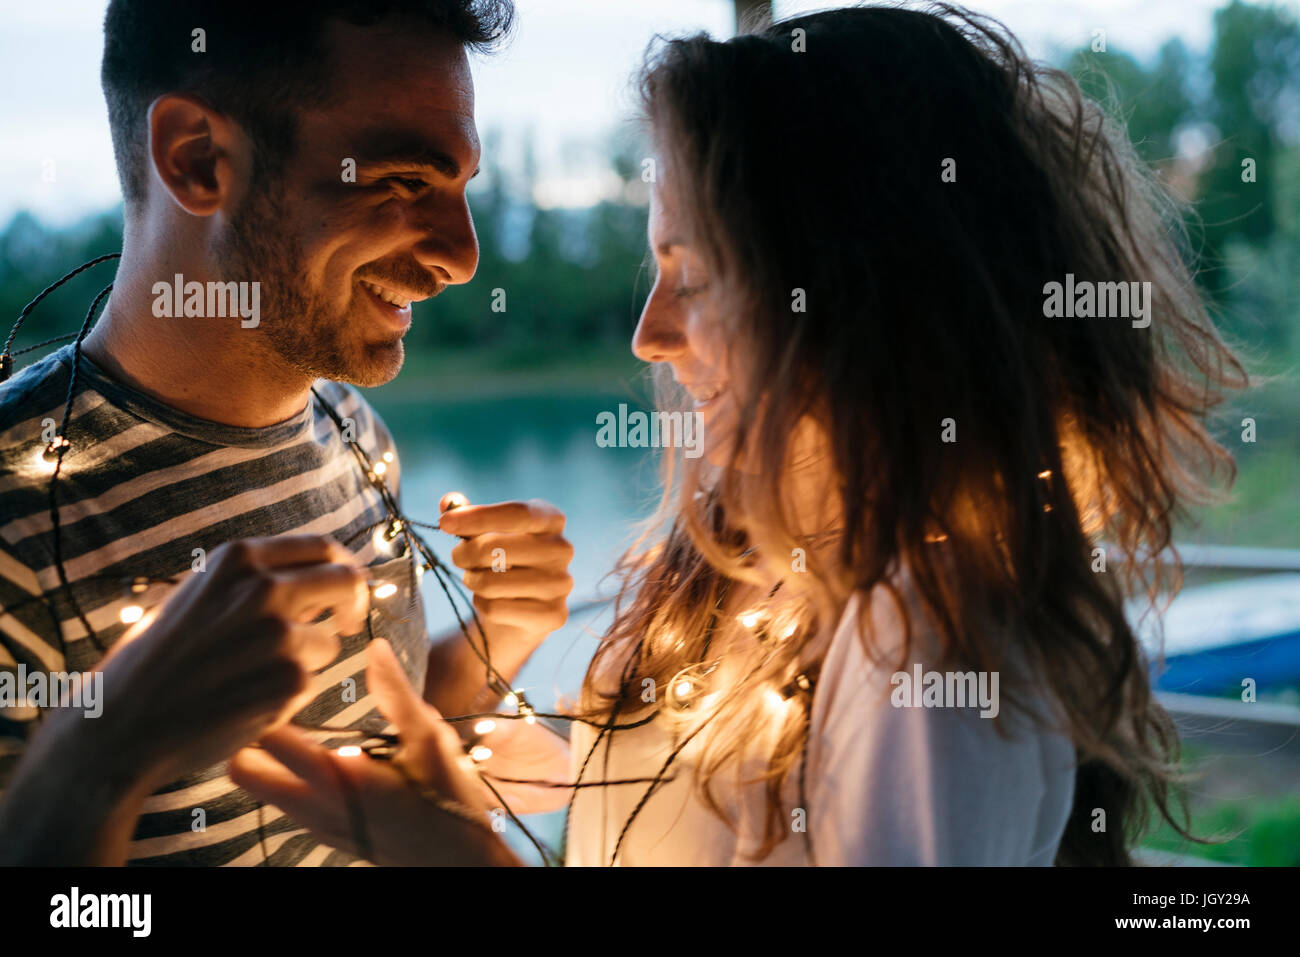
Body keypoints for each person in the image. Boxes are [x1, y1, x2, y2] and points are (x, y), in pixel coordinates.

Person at [233, 4, 1249, 866]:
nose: (649, 333)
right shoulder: (754, 564)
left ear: (860, 295)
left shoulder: (926, 639)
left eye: (694, 274)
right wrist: (510, 758)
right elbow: (708, 792)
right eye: (654, 269)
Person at [0, 0, 576, 866]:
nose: (463, 256)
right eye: (405, 182)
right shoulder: (18, 520)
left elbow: (388, 735)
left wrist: (498, 635)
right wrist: (103, 753)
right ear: (197, 159)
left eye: (461, 188)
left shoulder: (351, 430)